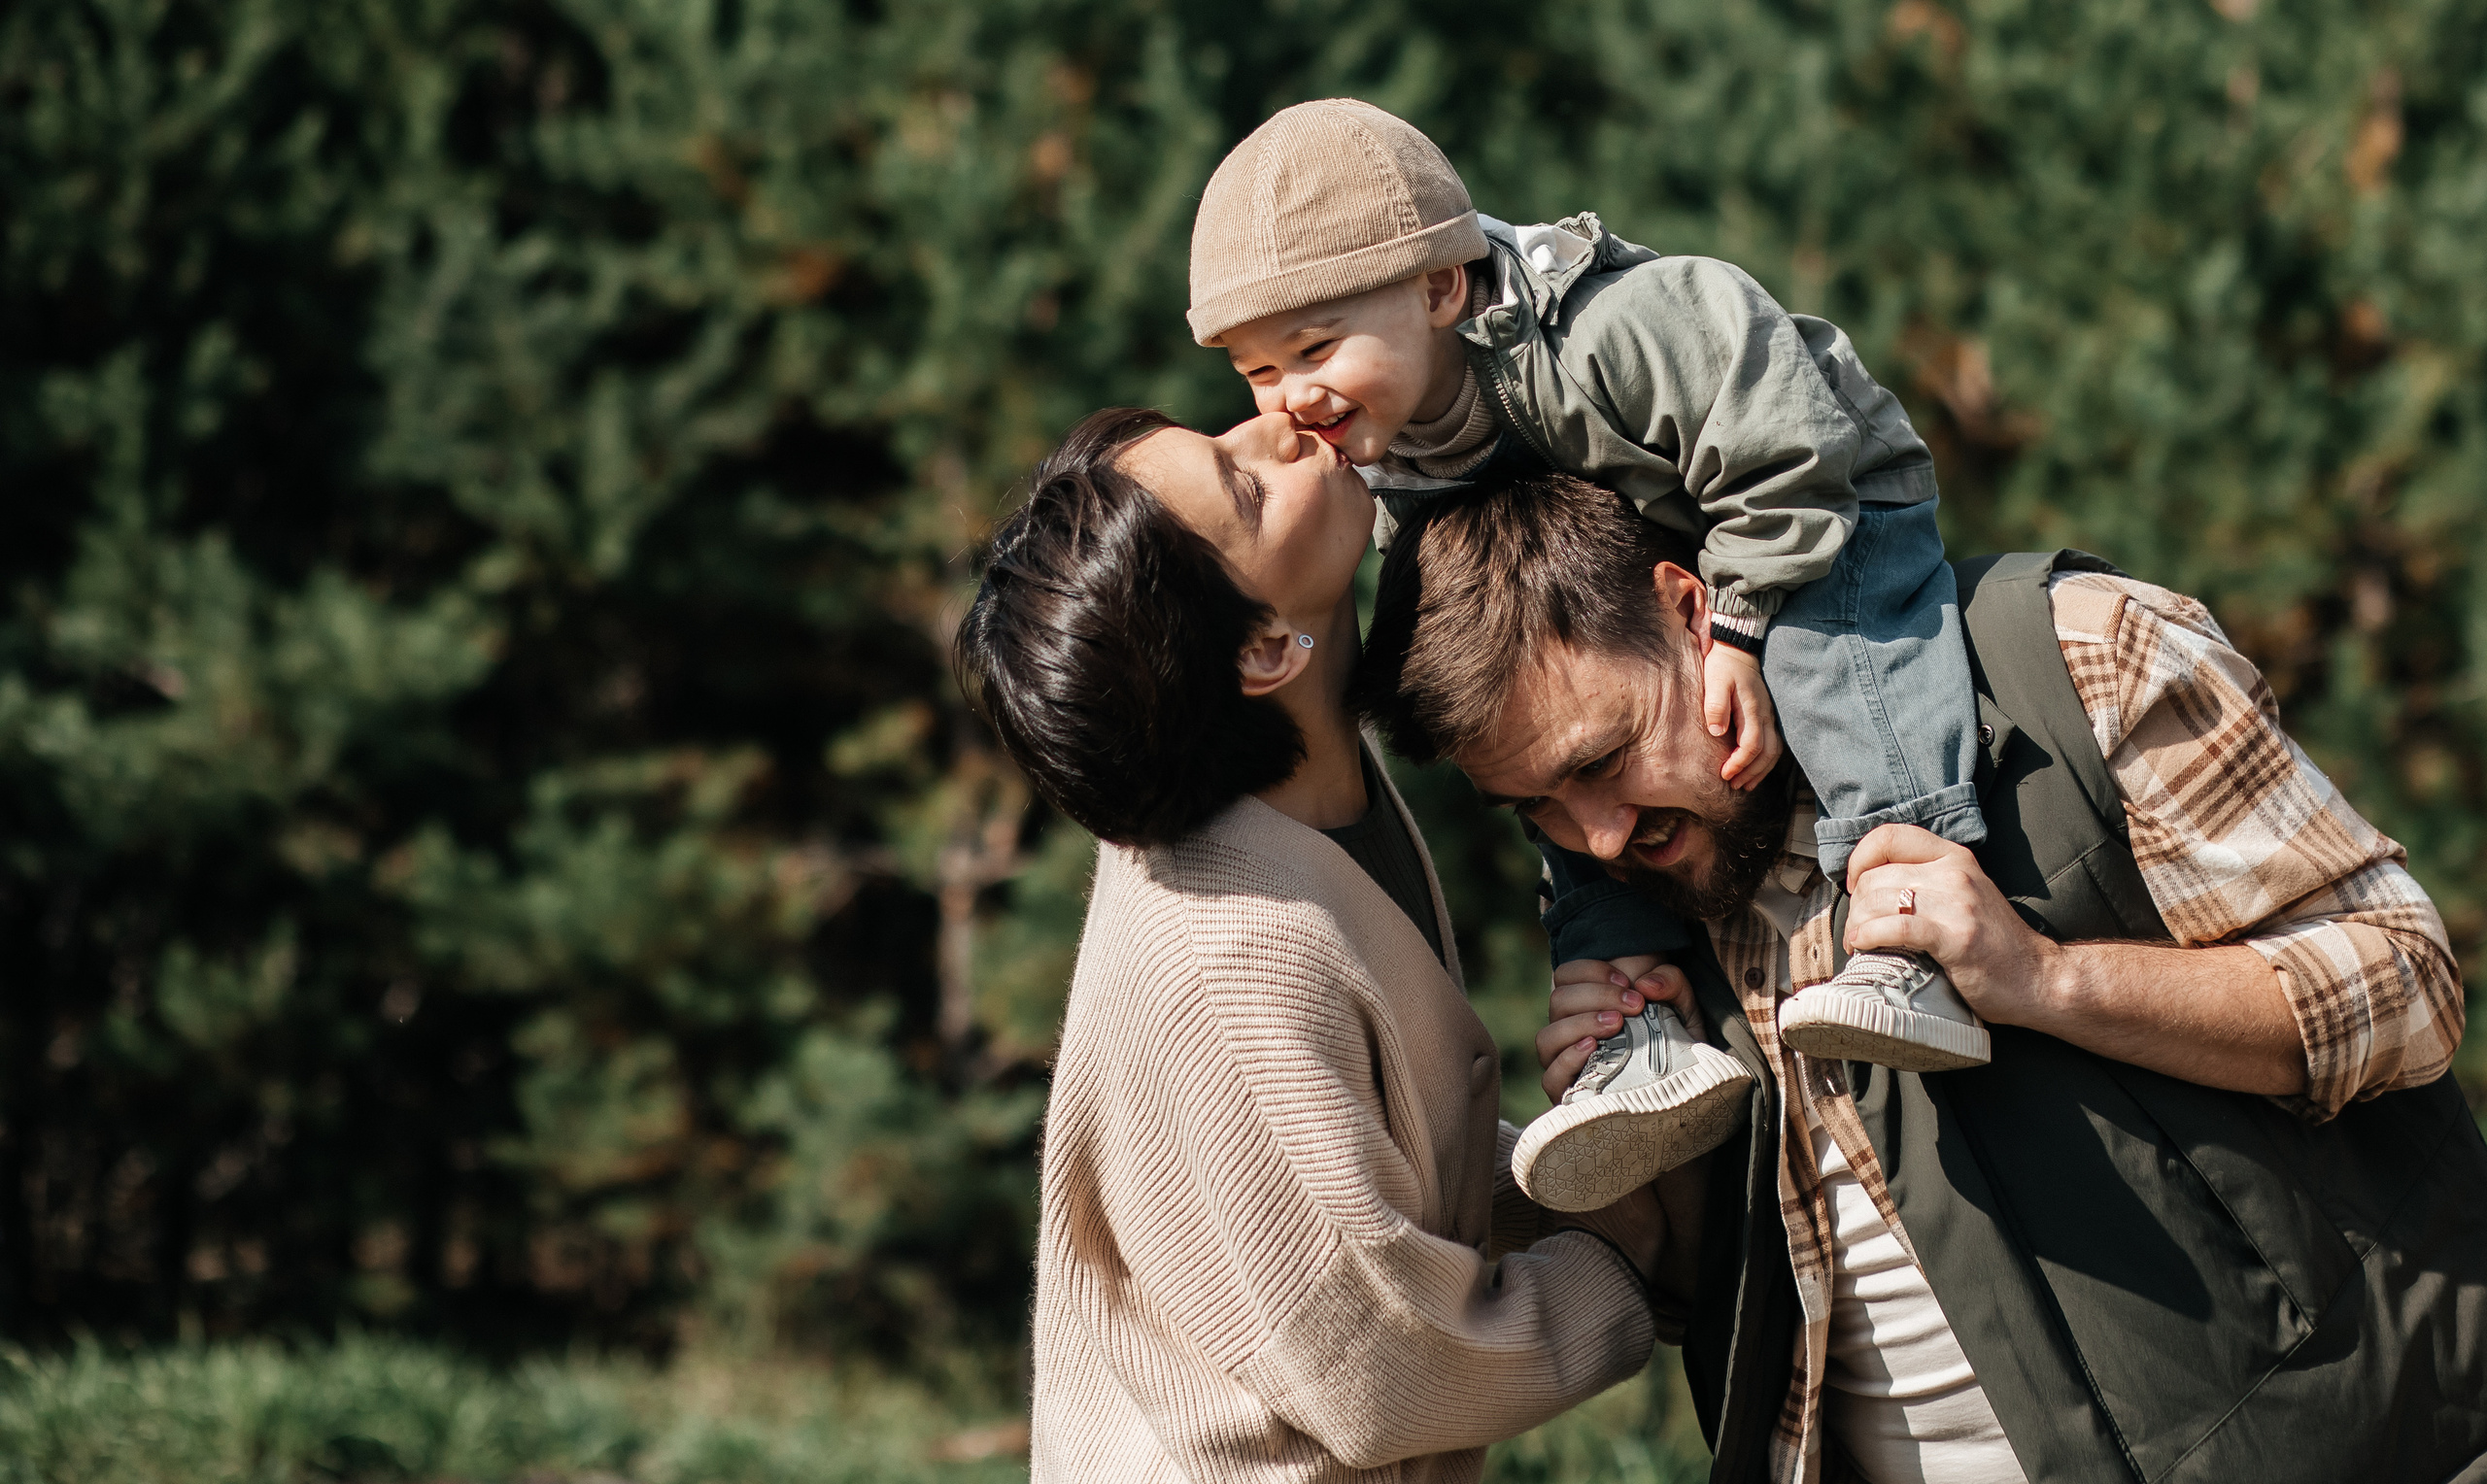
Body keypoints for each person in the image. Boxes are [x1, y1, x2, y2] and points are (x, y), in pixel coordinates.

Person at [1360, 471, 2487, 1484]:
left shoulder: (2067, 654)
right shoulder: (1636, 887)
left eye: (1599, 763)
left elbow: (2406, 988)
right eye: (1539, 812)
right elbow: (1749, 1285)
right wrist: (1647, 1159)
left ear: (1691, 608)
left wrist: (2043, 979)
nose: (1596, 837)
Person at [1187, 98, 1991, 1210]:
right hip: (1627, 589)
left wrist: (1745, 621)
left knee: (1829, 665)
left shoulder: (1615, 328)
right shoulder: (1383, 442)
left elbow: (1782, 443)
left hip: (1811, 511)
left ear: (1439, 286)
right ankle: (1632, 1037)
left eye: (1315, 349)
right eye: (1255, 371)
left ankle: (1910, 927)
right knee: (1562, 794)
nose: (1291, 400)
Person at [956, 408, 1688, 1484]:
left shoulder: (1313, 796)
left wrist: (1577, 1171)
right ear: (1262, 649)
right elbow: (1375, 1363)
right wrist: (1637, 1255)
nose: (1279, 425)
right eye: (1247, 488)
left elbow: (1352, 1163)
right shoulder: (1226, 960)